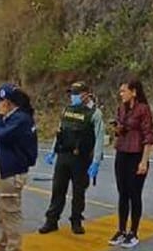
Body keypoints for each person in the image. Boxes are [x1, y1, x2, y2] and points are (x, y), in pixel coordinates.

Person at [0, 84, 38, 251]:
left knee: (11, 212)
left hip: (12, 170)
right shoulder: (14, 118)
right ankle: (2, 244)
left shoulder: (20, 119)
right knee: (1, 210)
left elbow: (1, 135)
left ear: (7, 102)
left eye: (1, 101)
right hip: (4, 166)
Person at [39, 82, 104, 235]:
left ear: (85, 94)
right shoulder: (67, 110)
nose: (72, 97)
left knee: (78, 192)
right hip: (63, 155)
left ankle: (76, 220)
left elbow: (99, 138)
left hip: (81, 158)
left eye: (75, 94)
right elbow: (60, 132)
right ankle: (51, 221)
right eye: (71, 94)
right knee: (58, 189)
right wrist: (53, 152)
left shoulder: (94, 113)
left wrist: (96, 161)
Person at [109, 78, 153, 248]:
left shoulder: (143, 110)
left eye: (124, 91)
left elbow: (148, 136)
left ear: (134, 92)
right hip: (122, 152)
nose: (121, 94)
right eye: (120, 91)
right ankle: (121, 230)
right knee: (122, 193)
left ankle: (133, 232)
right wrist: (117, 127)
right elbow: (120, 131)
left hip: (136, 155)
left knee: (134, 194)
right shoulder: (121, 108)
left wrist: (144, 161)